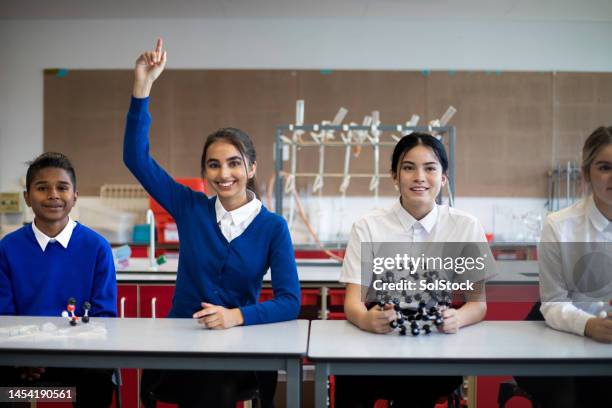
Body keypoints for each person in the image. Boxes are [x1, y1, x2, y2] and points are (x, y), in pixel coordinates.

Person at [124, 39, 300, 408]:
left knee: (213, 390)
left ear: (251, 168)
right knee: (198, 388)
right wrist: (143, 87)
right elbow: (136, 159)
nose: (224, 174)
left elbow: (289, 302)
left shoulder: (272, 227)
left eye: (235, 163)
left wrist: (236, 316)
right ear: (204, 171)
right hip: (182, 338)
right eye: (214, 165)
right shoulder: (190, 209)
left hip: (240, 342)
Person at [337, 133, 494, 407]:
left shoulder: (466, 227)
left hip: (435, 343)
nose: (419, 177)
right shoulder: (367, 227)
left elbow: (477, 305)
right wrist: (365, 320)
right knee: (351, 379)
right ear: (394, 176)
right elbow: (353, 302)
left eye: (430, 168)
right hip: (379, 338)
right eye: (408, 168)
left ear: (443, 177)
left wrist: (458, 318)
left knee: (418, 389)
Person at [0, 152, 117, 408]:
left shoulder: (97, 248)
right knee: (8, 392)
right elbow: (4, 316)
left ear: (75, 196)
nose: (53, 195)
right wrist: (24, 357)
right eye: (42, 188)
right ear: (27, 197)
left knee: (96, 385)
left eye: (62, 187)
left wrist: (62, 349)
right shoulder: (8, 248)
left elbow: (104, 316)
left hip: (80, 358)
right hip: (23, 359)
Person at [515, 126, 612, 407]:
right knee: (566, 397)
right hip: (560, 330)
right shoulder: (559, 226)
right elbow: (554, 302)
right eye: (605, 167)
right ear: (586, 174)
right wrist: (589, 325)